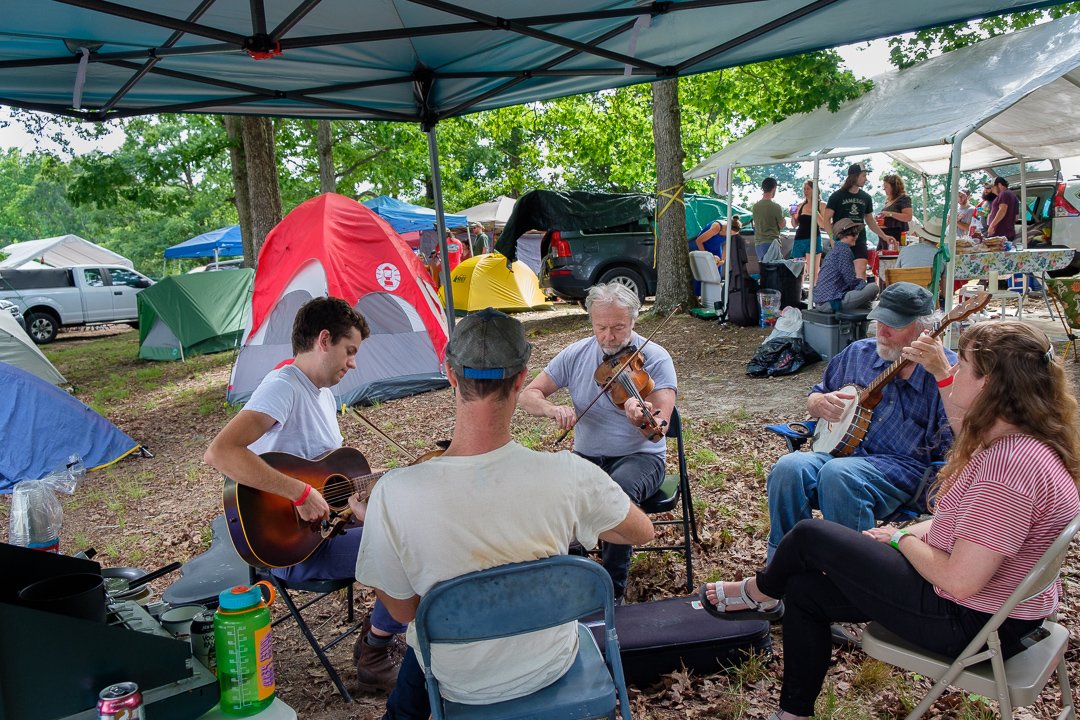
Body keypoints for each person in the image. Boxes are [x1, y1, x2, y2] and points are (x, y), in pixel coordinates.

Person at [701, 321, 1080, 720]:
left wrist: (901, 541)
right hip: (991, 609)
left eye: (963, 367)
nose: (954, 373)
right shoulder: (1020, 441)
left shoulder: (1010, 469)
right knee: (803, 590)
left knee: (810, 534)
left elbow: (960, 580)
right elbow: (964, 527)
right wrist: (905, 532)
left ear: (988, 384)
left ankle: (759, 590)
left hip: (971, 623)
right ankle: (793, 712)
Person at [355, 308, 654, 719]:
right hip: (550, 666)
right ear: (520, 379)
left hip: (456, 682)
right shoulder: (569, 475)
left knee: (419, 666)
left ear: (450, 374)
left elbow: (405, 612)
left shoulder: (393, 494)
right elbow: (642, 532)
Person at [203, 297, 407, 693]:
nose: (353, 363)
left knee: (408, 521)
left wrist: (360, 500)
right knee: (408, 542)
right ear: (324, 340)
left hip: (327, 531)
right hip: (291, 547)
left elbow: (328, 479)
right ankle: (376, 652)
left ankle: (382, 630)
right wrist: (297, 492)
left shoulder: (323, 394)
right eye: (350, 351)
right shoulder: (284, 387)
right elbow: (220, 452)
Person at [765, 281, 954, 561]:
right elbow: (817, 393)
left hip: (907, 471)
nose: (883, 332)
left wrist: (942, 375)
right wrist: (817, 404)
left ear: (924, 329)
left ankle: (856, 576)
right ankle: (784, 565)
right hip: (843, 453)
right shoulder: (858, 354)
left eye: (895, 325)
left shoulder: (947, 370)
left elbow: (961, 440)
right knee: (789, 467)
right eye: (880, 321)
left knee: (839, 475)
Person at [519, 282, 677, 601]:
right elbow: (528, 394)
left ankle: (611, 590)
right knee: (550, 491)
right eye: (600, 327)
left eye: (618, 327)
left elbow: (658, 427)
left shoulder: (656, 358)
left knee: (614, 492)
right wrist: (552, 408)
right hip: (587, 456)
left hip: (640, 458)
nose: (608, 336)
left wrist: (641, 417)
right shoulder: (576, 353)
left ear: (634, 321)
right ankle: (568, 576)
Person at [824, 163, 890, 280]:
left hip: (859, 239)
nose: (866, 179)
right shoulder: (836, 196)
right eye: (863, 176)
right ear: (854, 176)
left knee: (861, 269)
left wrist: (884, 236)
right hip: (842, 240)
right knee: (843, 273)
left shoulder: (866, 197)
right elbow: (826, 219)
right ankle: (846, 296)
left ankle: (859, 296)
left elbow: (870, 220)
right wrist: (831, 238)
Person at [812, 218, 879, 313]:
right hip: (831, 302)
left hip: (824, 301)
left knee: (865, 302)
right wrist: (864, 285)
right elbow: (850, 280)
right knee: (873, 288)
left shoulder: (836, 250)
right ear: (842, 235)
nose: (856, 236)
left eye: (856, 233)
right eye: (852, 233)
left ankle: (857, 326)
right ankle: (859, 327)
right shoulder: (844, 251)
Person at [790, 180, 825, 276]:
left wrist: (814, 212)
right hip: (799, 239)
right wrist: (793, 216)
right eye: (804, 189)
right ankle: (799, 290)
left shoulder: (821, 205)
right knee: (798, 269)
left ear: (815, 190)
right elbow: (794, 224)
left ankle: (814, 289)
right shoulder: (800, 205)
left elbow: (823, 225)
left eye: (808, 189)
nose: (805, 191)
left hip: (813, 239)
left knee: (812, 270)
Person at [753, 177, 787, 262]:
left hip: (758, 243)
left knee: (764, 270)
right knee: (773, 271)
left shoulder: (755, 206)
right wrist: (784, 220)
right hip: (771, 243)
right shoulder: (776, 207)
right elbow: (781, 225)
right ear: (774, 188)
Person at [878, 174, 913, 250]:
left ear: (894, 187)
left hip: (896, 235)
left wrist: (890, 214)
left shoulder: (903, 199)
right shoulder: (888, 201)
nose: (884, 189)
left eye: (886, 186)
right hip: (884, 236)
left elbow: (908, 217)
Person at [986, 175, 1019, 242]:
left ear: (999, 184)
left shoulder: (1004, 194)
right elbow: (1016, 217)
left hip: (1000, 234)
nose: (991, 190)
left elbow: (1002, 210)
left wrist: (992, 226)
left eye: (992, 187)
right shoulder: (1013, 196)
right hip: (1008, 234)